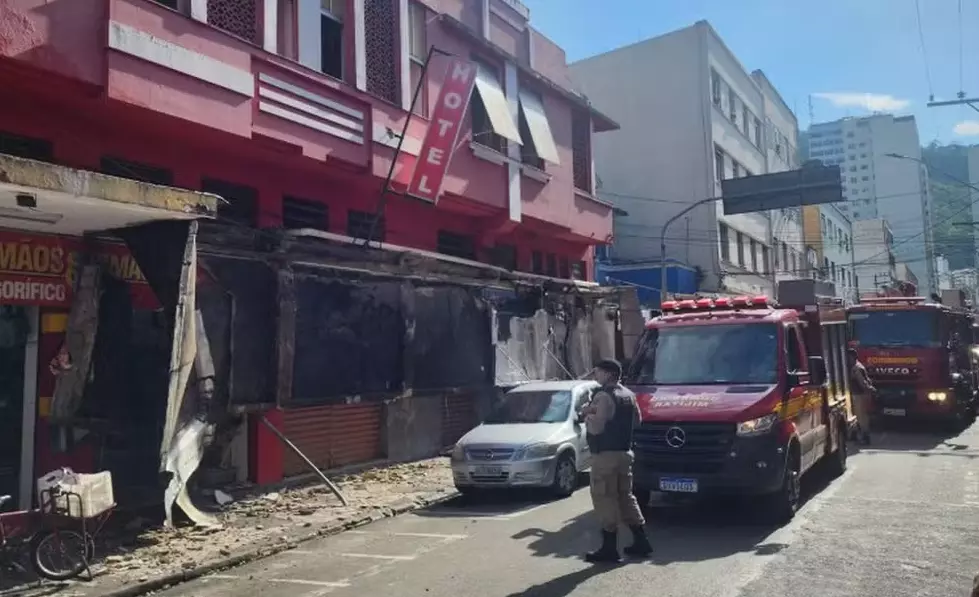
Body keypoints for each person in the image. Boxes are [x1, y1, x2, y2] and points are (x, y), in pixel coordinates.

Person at [579, 359, 651, 563]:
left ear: (609, 374)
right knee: (625, 496)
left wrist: (587, 413)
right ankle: (641, 541)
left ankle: (609, 549)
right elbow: (637, 420)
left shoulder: (603, 396)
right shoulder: (628, 395)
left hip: (605, 455)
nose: (595, 376)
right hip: (624, 453)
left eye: (598, 372)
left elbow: (597, 428)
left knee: (604, 497)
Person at [847, 348, 875, 445]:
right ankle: (856, 435)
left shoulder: (856, 368)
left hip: (859, 395)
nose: (848, 359)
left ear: (853, 357)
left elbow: (862, 382)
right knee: (858, 416)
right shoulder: (858, 366)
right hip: (859, 395)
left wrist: (869, 389)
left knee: (861, 417)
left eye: (849, 357)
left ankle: (865, 437)